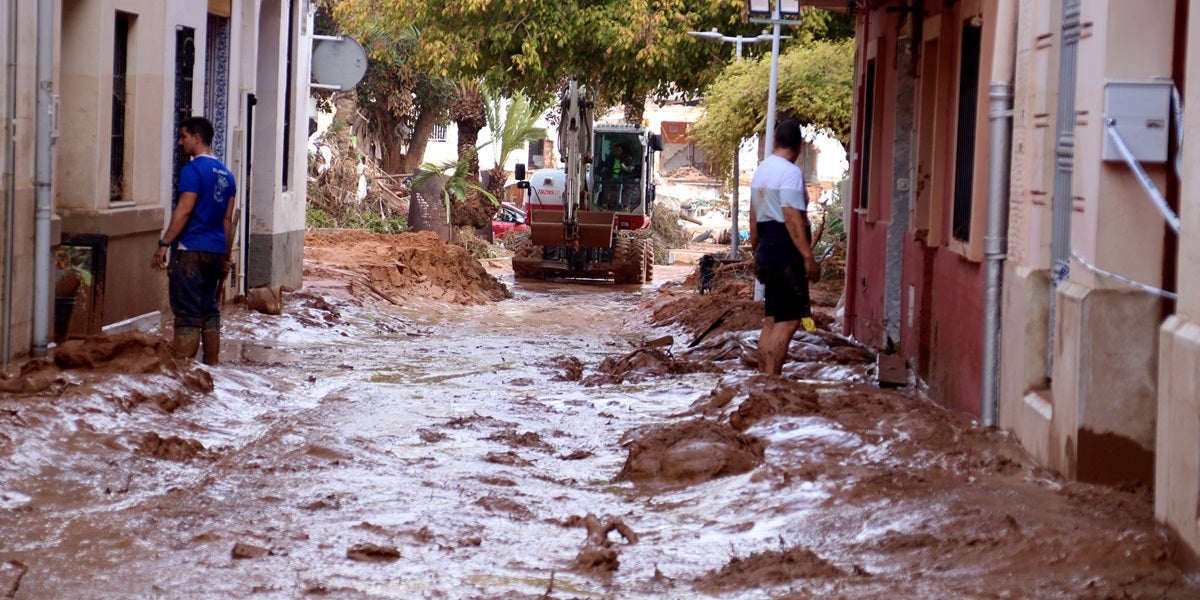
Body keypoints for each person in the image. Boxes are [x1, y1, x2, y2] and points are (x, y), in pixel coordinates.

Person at [152, 116, 236, 365]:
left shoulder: (192, 170)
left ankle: (184, 374)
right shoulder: (228, 175)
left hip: (190, 251)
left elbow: (184, 209)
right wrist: (225, 254)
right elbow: (227, 220)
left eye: (183, 137)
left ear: (196, 138)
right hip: (215, 251)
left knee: (187, 312)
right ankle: (211, 367)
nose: (180, 142)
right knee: (209, 308)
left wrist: (165, 243)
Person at [748, 120, 820, 376]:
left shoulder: (761, 170)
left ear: (775, 142)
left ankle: (764, 378)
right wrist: (808, 256)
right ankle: (773, 379)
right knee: (788, 321)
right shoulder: (790, 173)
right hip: (785, 252)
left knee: (771, 321)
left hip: (767, 247)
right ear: (800, 146)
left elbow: (753, 217)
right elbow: (791, 216)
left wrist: (757, 252)